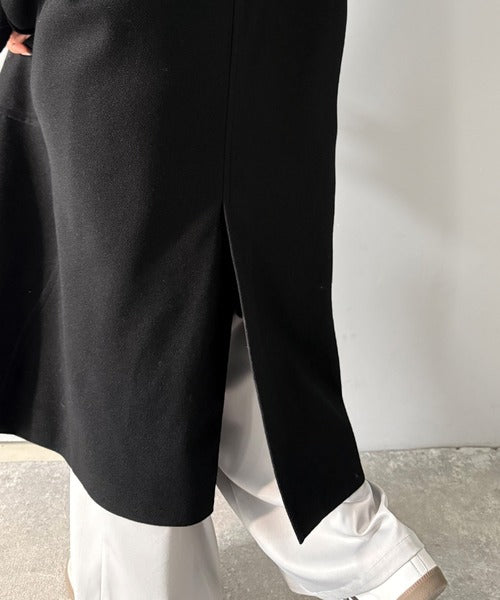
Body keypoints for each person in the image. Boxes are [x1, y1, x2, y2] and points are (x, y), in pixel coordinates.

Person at [1, 4, 448, 599]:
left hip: (129, 39)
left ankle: (158, 584)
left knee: (129, 335)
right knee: (228, 314)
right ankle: (363, 549)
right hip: (281, 36)